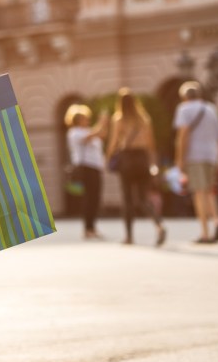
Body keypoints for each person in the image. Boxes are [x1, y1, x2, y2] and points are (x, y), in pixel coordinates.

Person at [105, 88, 166, 247]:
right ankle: (159, 225)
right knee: (143, 198)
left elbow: (113, 142)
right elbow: (151, 143)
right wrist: (152, 163)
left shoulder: (119, 119)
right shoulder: (144, 118)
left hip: (127, 159)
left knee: (127, 199)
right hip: (142, 158)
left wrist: (108, 157)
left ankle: (129, 236)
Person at [173, 81, 218, 244]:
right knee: (210, 191)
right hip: (211, 155)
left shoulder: (184, 109)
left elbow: (183, 136)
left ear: (184, 97)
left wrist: (180, 159)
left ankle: (205, 234)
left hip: (195, 156)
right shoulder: (211, 109)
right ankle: (217, 221)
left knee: (199, 193)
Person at [63, 103, 105, 239]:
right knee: (89, 198)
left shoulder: (88, 130)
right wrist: (101, 122)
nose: (87, 120)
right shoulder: (74, 133)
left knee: (95, 198)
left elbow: (101, 134)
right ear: (78, 120)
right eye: (85, 118)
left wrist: (105, 124)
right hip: (86, 167)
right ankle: (88, 228)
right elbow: (92, 136)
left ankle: (92, 227)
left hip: (95, 167)